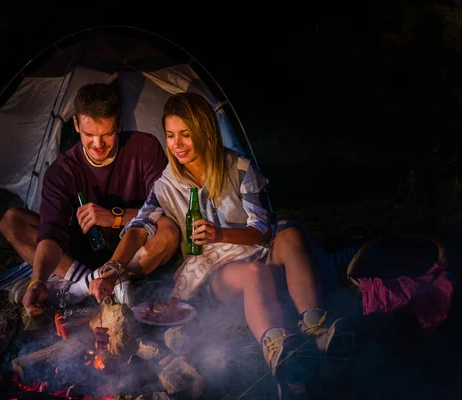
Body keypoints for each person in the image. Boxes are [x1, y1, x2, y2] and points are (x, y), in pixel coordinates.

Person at [87, 92, 352, 399]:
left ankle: (316, 329)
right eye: (171, 135)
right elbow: (139, 228)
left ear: (205, 132)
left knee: (292, 235)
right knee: (254, 273)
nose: (178, 144)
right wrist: (113, 268)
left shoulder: (238, 169)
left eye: (186, 135)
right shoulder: (166, 183)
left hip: (254, 249)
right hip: (218, 274)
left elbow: (263, 230)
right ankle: (281, 353)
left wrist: (220, 234)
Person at [0, 83, 180, 317]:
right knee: (12, 220)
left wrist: (113, 217)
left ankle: (87, 286)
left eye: (107, 134)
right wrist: (37, 280)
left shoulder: (144, 148)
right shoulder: (62, 170)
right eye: (89, 134)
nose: (98, 144)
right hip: (82, 255)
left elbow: (163, 209)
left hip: (134, 250)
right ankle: (90, 283)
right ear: (76, 124)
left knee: (169, 230)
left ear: (119, 124)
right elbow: (52, 232)